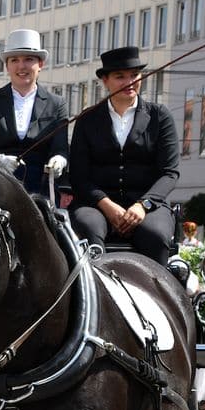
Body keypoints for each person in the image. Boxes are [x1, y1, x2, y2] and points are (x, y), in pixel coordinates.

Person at [68, 46, 179, 265]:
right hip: (96, 205)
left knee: (156, 235)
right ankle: (93, 285)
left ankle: (155, 286)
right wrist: (106, 205)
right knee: (88, 229)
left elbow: (169, 173)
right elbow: (79, 176)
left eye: (134, 75)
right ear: (105, 80)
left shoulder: (160, 116)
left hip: (148, 205)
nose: (129, 82)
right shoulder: (87, 120)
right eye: (120, 76)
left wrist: (143, 205)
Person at [0, 29, 69, 197]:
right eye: (14, 60)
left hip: (40, 190)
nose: (21, 66)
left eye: (28, 59)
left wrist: (59, 161)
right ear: (7, 66)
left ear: (40, 64)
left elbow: (60, 149)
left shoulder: (57, 104)